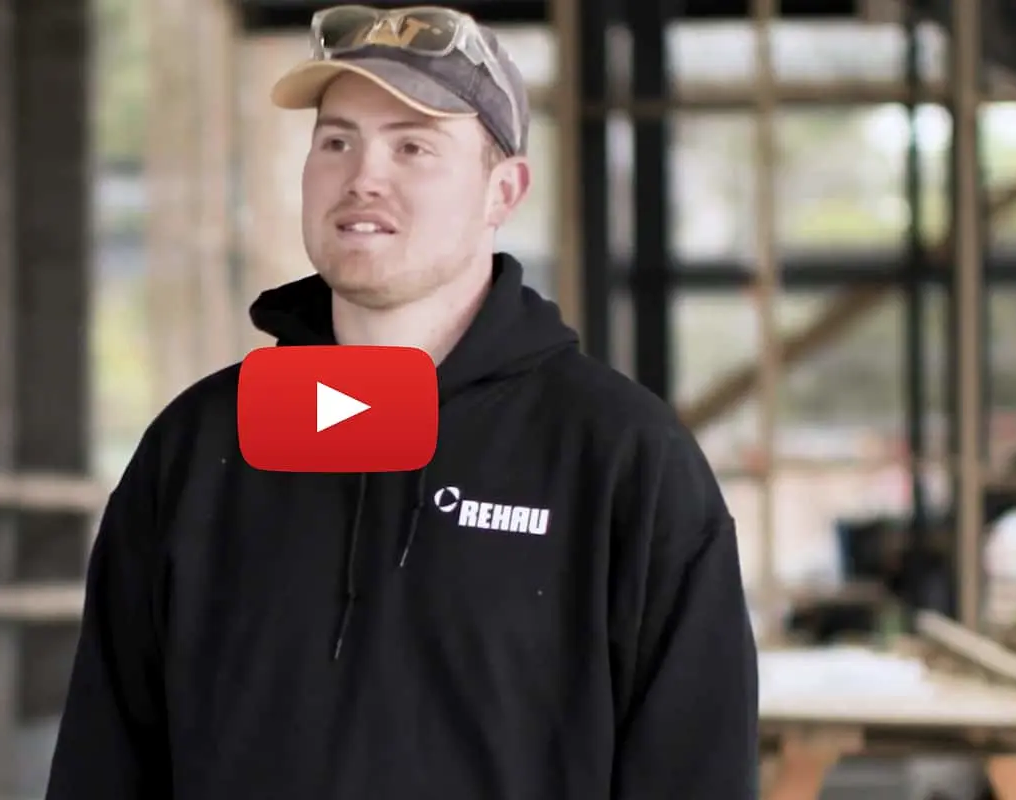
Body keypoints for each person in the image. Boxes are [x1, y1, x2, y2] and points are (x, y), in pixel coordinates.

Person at [44, 5, 759, 799]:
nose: (363, 177)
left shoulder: (623, 461)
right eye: (336, 141)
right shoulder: (196, 448)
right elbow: (104, 762)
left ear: (503, 191)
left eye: (413, 145)